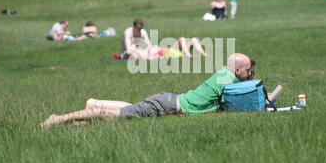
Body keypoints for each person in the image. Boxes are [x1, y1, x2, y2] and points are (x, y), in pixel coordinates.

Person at [41, 53, 255, 128]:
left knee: (127, 112)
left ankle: (94, 104)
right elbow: (243, 101)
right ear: (237, 70)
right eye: (248, 71)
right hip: (167, 105)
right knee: (117, 116)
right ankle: (57, 119)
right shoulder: (229, 79)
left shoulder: (225, 75)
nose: (251, 74)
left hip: (168, 101)